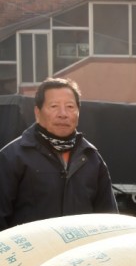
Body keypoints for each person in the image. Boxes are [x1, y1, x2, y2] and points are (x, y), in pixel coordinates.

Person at [0, 77, 117, 230]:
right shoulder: (13, 156)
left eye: (70, 107)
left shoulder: (91, 158)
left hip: (78, 252)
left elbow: (109, 219)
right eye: (54, 106)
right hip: (32, 252)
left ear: (78, 112)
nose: (63, 114)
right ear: (37, 112)